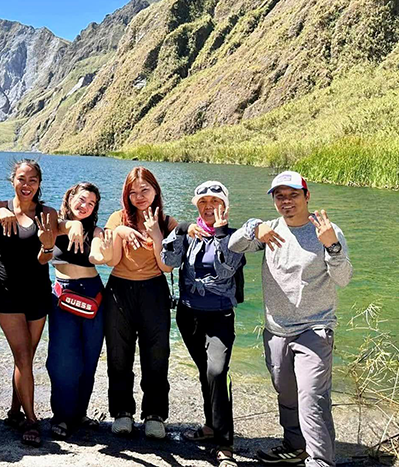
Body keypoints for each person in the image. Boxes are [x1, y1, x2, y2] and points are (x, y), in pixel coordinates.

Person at [229, 171, 352, 467]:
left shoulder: (327, 231)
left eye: (293, 195)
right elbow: (233, 245)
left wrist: (332, 247)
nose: (286, 201)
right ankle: (295, 447)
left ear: (307, 197)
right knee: (285, 392)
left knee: (312, 397)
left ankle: (320, 461)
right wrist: (252, 228)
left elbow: (344, 278)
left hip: (316, 327)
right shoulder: (269, 229)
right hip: (276, 329)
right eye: (279, 196)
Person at [0, 159, 58, 447]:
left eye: (32, 180)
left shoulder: (47, 213)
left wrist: (47, 246)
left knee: (26, 359)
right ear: (13, 181)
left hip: (38, 291)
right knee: (22, 356)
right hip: (6, 289)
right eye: (22, 179)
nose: (27, 185)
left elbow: (46, 257)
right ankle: (31, 420)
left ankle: (13, 411)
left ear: (39, 184)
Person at [162, 181, 244, 467]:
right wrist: (181, 229)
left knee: (217, 371)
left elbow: (228, 269)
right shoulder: (188, 235)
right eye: (203, 203)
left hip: (219, 317)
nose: (209, 207)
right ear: (196, 206)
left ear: (225, 205)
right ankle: (210, 426)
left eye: (215, 202)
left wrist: (219, 234)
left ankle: (225, 444)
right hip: (188, 315)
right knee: (203, 371)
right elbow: (168, 261)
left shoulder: (235, 237)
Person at [103, 166, 178, 439]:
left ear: (156, 190)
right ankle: (122, 412)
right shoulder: (116, 218)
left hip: (154, 292)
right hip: (119, 290)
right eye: (133, 192)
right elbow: (111, 260)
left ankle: (154, 414)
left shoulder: (169, 222)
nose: (139, 196)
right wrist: (121, 232)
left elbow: (166, 267)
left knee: (157, 354)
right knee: (118, 354)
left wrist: (156, 234)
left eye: (145, 190)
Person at [46, 182, 114, 439]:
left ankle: (79, 413)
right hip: (63, 295)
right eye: (82, 199)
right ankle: (61, 417)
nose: (85, 206)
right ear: (70, 196)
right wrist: (71, 225)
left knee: (89, 357)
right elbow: (57, 228)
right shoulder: (55, 223)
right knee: (62, 359)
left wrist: (103, 255)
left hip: (92, 293)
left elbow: (97, 254)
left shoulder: (95, 230)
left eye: (92, 204)